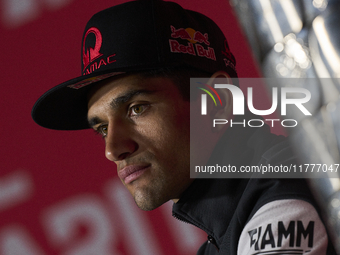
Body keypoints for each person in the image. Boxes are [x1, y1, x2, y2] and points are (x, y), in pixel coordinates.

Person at [31, 0, 335, 254]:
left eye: (137, 108)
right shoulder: (227, 230)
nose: (113, 149)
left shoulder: (284, 200)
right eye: (102, 129)